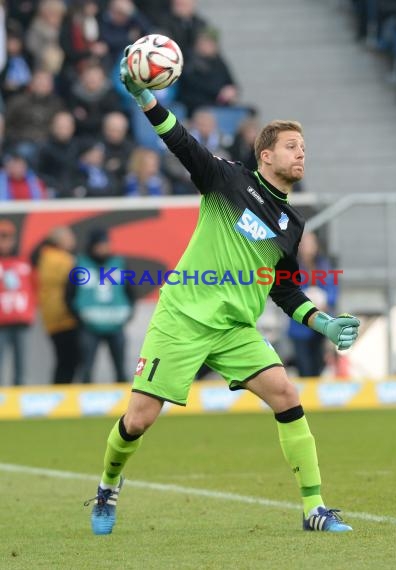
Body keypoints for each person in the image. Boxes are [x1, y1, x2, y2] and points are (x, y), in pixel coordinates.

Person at [84, 50, 360, 535]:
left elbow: (285, 290)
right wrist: (147, 99)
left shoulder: (291, 225)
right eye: (292, 146)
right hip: (184, 318)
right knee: (140, 420)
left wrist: (323, 321)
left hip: (234, 329)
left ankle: (314, 508)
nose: (301, 154)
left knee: (286, 394)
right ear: (266, 154)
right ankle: (108, 486)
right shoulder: (228, 179)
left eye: (304, 147)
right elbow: (182, 143)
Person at [67, 228, 135, 383]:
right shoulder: (80, 264)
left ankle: (125, 402)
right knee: (87, 368)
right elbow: (69, 294)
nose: (104, 248)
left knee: (120, 367)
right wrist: (80, 317)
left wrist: (127, 314)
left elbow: (130, 291)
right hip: (89, 326)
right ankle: (85, 403)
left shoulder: (119, 263)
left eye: (106, 244)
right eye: (100, 245)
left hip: (115, 324)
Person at [287, 232, 339, 378]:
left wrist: (326, 302)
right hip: (300, 327)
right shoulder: (292, 267)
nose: (307, 248)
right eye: (304, 244)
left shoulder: (324, 266)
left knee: (319, 365)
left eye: (310, 244)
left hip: (320, 325)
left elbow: (332, 291)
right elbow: (288, 292)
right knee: (305, 368)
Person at [32, 226, 79, 384]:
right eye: (69, 237)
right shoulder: (62, 260)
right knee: (68, 360)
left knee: (63, 359)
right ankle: (61, 394)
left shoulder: (44, 257)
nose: (73, 241)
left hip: (52, 317)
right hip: (63, 316)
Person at [0, 219, 36, 385]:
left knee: (22, 365)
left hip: (21, 321)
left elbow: (35, 287)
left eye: (7, 237)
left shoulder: (24, 263)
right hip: (1, 323)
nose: (4, 242)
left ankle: (20, 400)